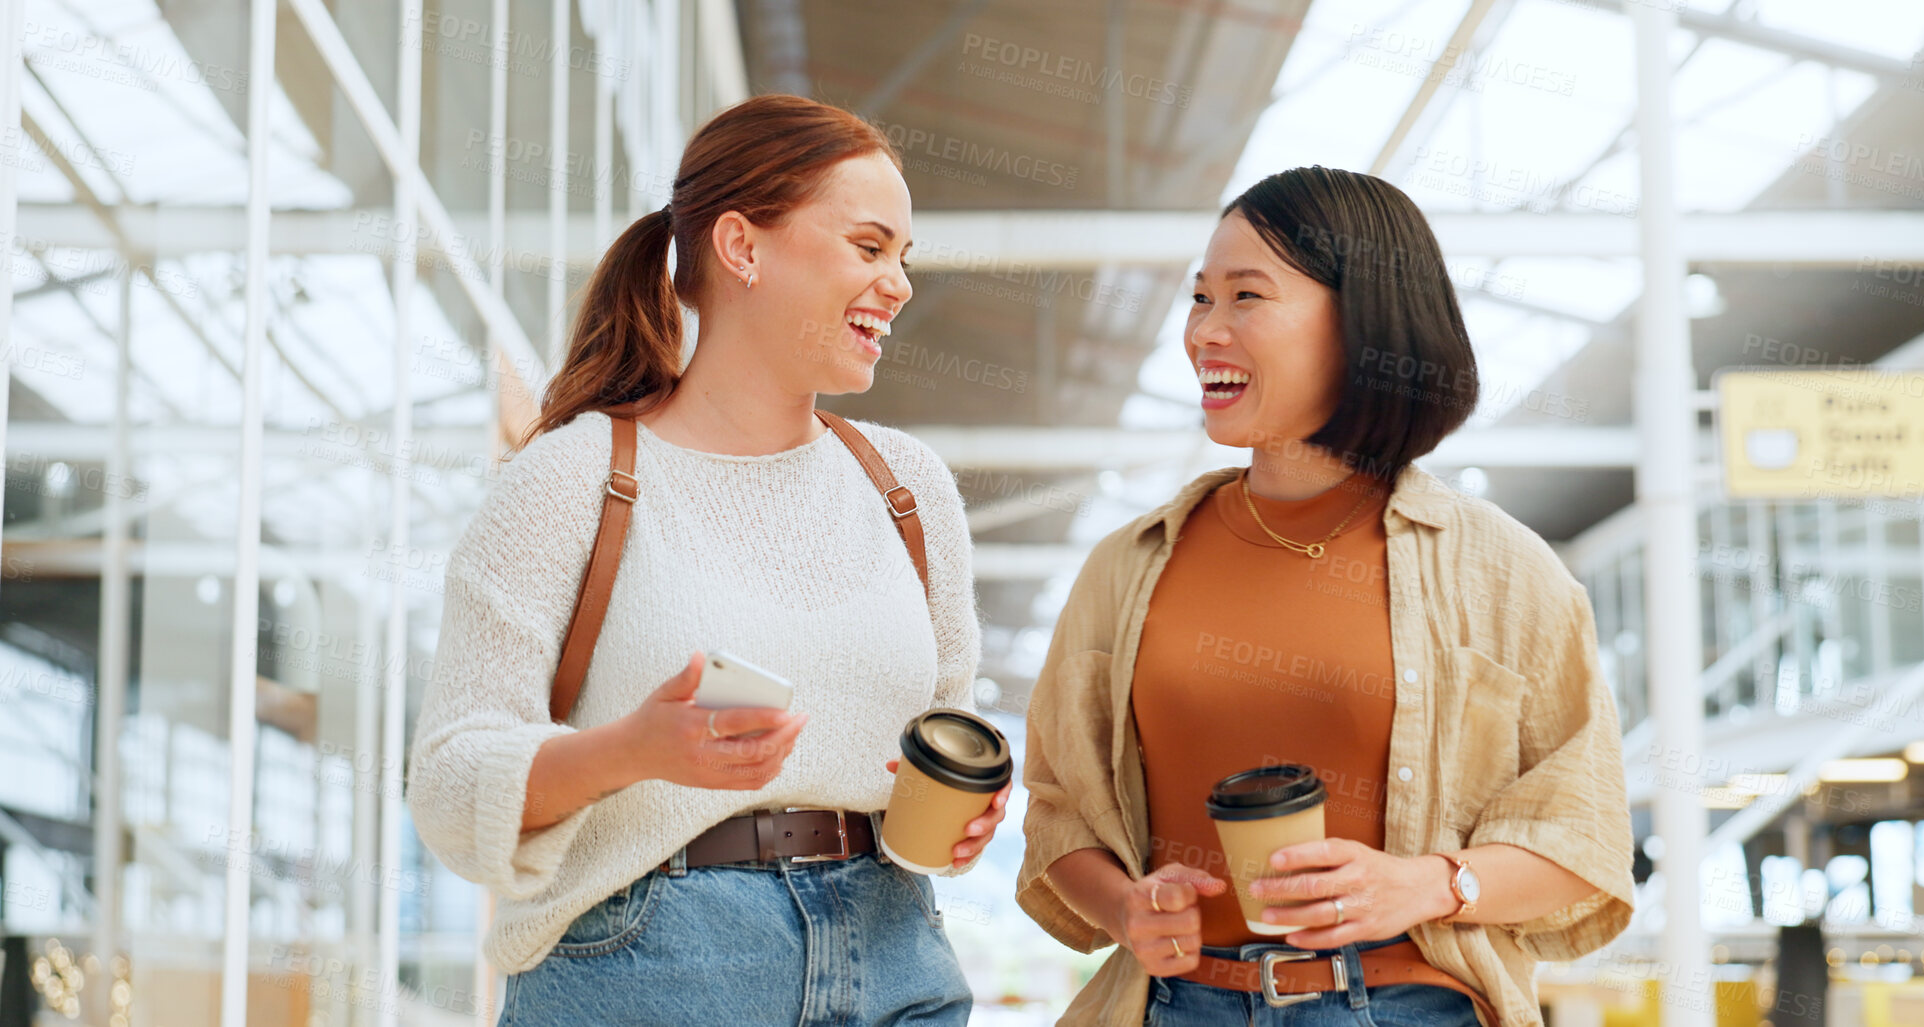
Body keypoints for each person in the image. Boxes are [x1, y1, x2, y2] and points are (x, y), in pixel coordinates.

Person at [406, 94, 1008, 1026]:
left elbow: (948, 725)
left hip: (896, 954)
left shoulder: (908, 486)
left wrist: (964, 811)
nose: (899, 284)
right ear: (742, 246)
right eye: (868, 246)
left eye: (903, 257)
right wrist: (626, 752)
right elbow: (449, 785)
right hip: (651, 966)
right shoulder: (574, 477)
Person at [1014, 166, 1634, 1026]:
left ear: (1362, 324)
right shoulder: (1127, 565)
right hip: (1177, 1006)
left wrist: (1425, 884)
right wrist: (1125, 906)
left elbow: (1585, 838)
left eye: (1245, 297)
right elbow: (1058, 815)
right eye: (1200, 298)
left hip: (1408, 1005)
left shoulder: (1503, 572)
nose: (1205, 333)